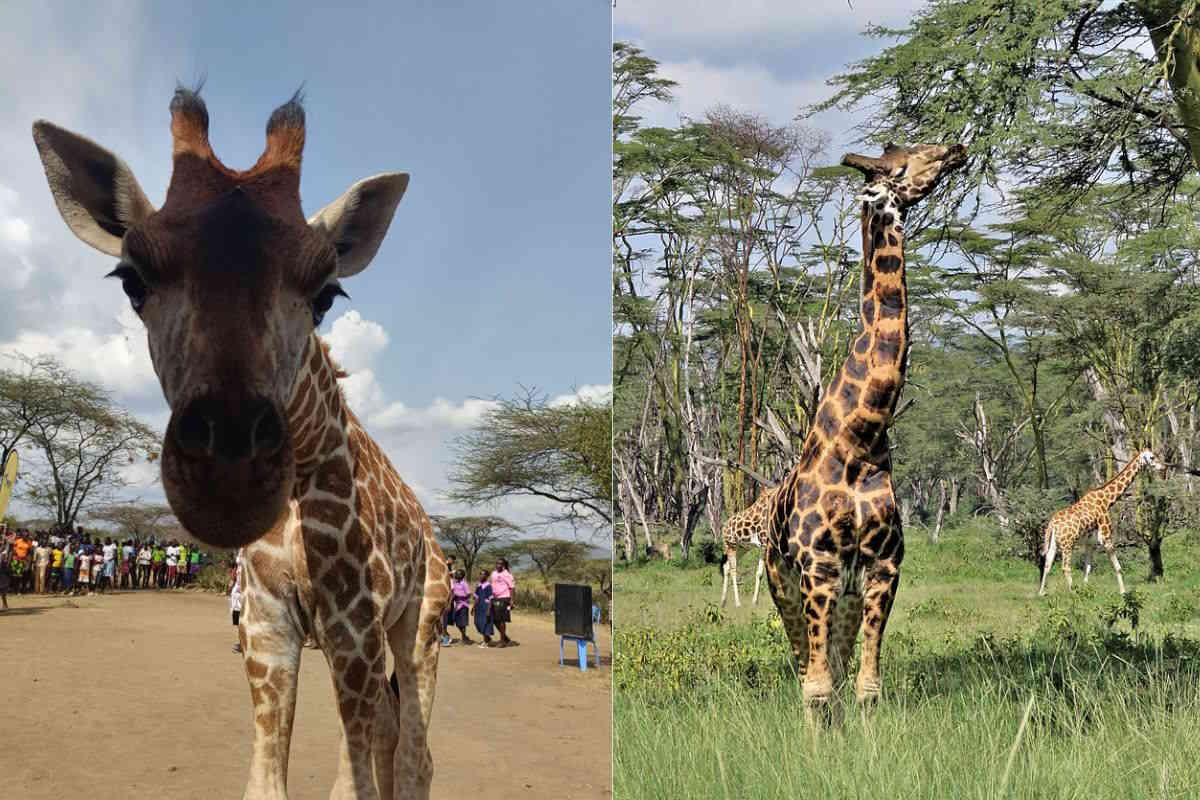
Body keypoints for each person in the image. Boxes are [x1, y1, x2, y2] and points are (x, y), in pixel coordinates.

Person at [489, 558, 516, 647]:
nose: (498, 565)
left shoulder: (507, 574)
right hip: (494, 598)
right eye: (497, 563)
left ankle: (502, 641)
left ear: (504, 565)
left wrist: (512, 600)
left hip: (504, 598)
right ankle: (505, 638)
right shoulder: (493, 573)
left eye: (500, 564)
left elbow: (512, 588)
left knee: (501, 620)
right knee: (494, 619)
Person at [449, 570, 473, 644]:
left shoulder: (464, 584)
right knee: (457, 622)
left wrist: (460, 596)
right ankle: (465, 636)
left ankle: (464, 638)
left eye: (458, 574)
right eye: (456, 574)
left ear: (462, 576)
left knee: (462, 622)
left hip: (463, 605)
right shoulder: (455, 583)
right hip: (457, 604)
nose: (456, 575)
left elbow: (469, 594)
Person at [473, 569, 494, 647]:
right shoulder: (478, 585)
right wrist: (473, 607)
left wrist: (489, 610)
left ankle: (485, 642)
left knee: (485, 623)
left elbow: (491, 599)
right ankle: (488, 638)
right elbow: (476, 597)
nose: (481, 576)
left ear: (487, 576)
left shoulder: (488, 586)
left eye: (483, 574)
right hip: (479, 607)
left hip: (485, 607)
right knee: (477, 623)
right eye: (480, 574)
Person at [230, 549, 244, 654]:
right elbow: (236, 566)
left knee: (245, 617)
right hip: (238, 590)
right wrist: (232, 580)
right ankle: (242, 642)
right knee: (238, 617)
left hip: (246, 589)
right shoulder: (240, 550)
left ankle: (244, 643)